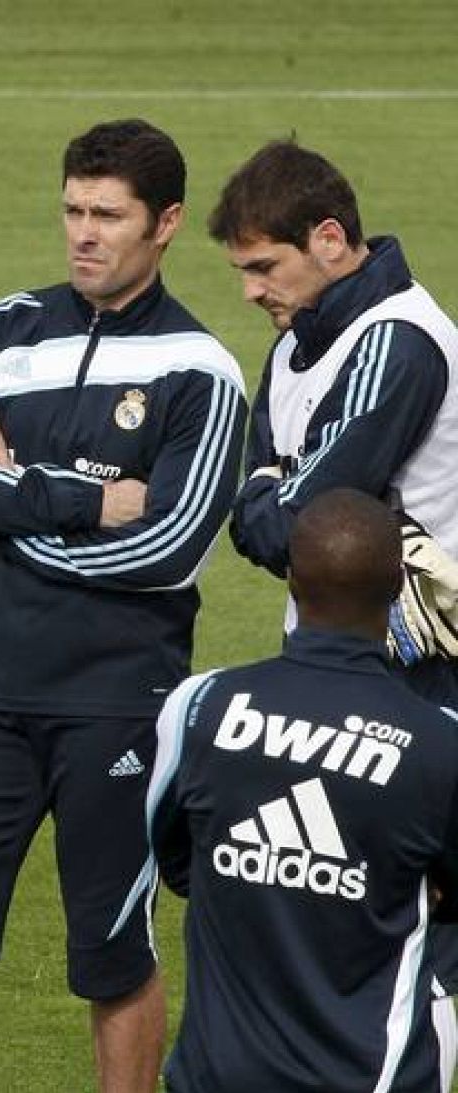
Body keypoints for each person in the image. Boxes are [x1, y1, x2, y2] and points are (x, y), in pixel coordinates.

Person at [0, 118, 248, 1093]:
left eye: (108, 215)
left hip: (115, 704)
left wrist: (7, 498)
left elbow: (171, 547)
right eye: (71, 211)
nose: (83, 234)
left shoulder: (200, 371)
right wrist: (82, 496)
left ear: (165, 223)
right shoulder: (4, 328)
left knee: (113, 951)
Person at [134, 488, 458, 1093]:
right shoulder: (439, 746)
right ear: (397, 591)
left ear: (290, 579)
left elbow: (180, 862)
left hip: (215, 1077)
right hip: (369, 1079)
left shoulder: (199, 707)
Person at [208, 139, 458, 705]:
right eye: (242, 272)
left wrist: (271, 494)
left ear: (329, 239)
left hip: (417, 673)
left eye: (264, 268)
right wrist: (271, 503)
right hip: (323, 656)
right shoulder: (295, 341)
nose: (250, 292)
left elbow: (287, 527)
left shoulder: (397, 342)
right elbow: (265, 523)